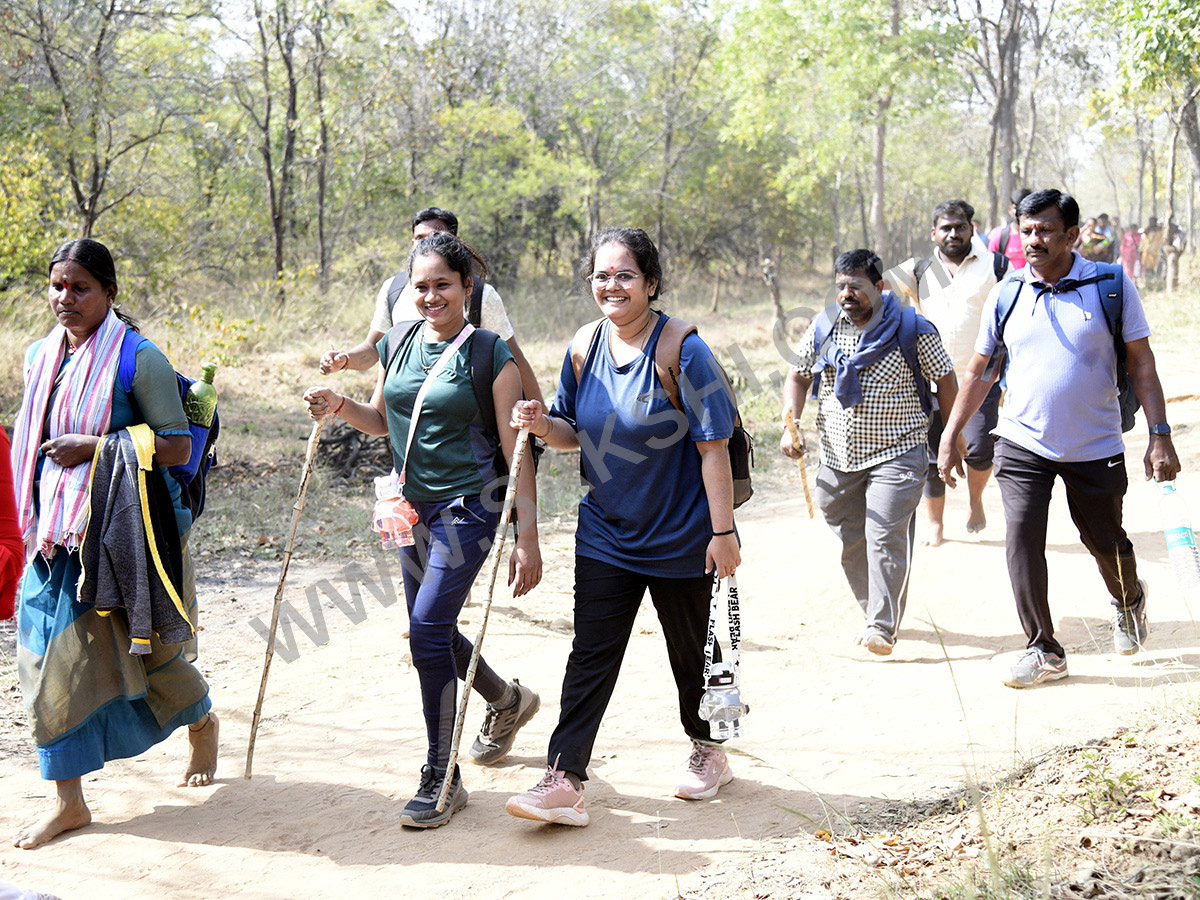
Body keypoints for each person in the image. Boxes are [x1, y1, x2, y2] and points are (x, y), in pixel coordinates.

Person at [304, 232, 542, 828]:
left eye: (443, 285)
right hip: (410, 511)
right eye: (421, 286)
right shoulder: (399, 342)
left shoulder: (491, 354)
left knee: (427, 631)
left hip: (470, 508)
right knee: (428, 630)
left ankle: (442, 774)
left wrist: (527, 537)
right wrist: (338, 404)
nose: (431, 296)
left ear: (467, 287)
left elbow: (518, 454)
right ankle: (506, 699)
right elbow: (383, 421)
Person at [506, 227, 740, 826]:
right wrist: (540, 423)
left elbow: (713, 446)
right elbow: (569, 431)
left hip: (681, 534)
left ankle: (710, 747)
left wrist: (723, 533)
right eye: (602, 276)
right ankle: (564, 777)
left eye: (625, 275)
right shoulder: (584, 346)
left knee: (692, 651)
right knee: (591, 653)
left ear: (651, 283)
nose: (612, 285)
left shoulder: (685, 350)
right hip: (606, 532)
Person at [12, 239, 217, 850]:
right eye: (57, 286)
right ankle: (70, 803)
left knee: (146, 654)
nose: (65, 298)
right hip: (55, 532)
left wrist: (95, 447)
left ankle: (200, 719)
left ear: (109, 292)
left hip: (126, 532)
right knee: (43, 659)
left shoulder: (139, 359)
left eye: (80, 288)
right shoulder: (39, 355)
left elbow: (177, 447)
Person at [938, 189, 1181, 688]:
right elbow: (980, 370)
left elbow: (1142, 364)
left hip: (1095, 445)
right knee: (1022, 540)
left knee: (1104, 541)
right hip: (1022, 441)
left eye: (1045, 230)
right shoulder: (1007, 293)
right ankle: (1044, 649)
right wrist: (951, 432)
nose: (1034, 240)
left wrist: (1160, 434)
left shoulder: (1110, 284)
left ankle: (1129, 599)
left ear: (1072, 235)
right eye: (1026, 231)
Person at [780, 250, 958, 656]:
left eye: (856, 286)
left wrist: (952, 435)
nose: (846, 294)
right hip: (837, 456)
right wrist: (791, 423)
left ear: (879, 287)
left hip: (899, 450)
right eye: (840, 286)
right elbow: (798, 376)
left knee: (884, 534)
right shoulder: (823, 327)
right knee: (852, 539)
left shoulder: (912, 328)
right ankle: (878, 609)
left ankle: (881, 624)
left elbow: (945, 380)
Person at [321, 206, 543, 405]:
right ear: (412, 244)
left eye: (436, 236)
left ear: (456, 242)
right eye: (420, 238)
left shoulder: (480, 295)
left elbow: (513, 360)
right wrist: (345, 360)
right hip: (406, 413)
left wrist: (543, 422)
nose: (431, 298)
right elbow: (374, 348)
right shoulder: (394, 290)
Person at [890, 199, 1007, 546]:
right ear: (934, 233)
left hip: (980, 378)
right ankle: (936, 524)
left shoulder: (996, 266)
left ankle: (975, 501)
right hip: (929, 380)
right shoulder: (918, 269)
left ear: (972, 229)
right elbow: (876, 291)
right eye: (946, 228)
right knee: (931, 455)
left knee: (981, 448)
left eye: (960, 227)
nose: (953, 233)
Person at [988, 187, 1033, 269]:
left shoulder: (1038, 237)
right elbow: (990, 267)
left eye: (1026, 208)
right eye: (1017, 208)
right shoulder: (999, 236)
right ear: (1010, 209)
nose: (1021, 212)